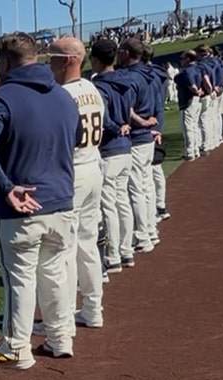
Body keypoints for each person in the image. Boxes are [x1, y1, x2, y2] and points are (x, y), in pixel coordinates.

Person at [0, 32, 80, 369]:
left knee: (19, 278)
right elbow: (75, 140)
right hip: (61, 201)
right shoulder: (64, 98)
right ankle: (61, 338)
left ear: (5, 62)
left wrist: (5, 186)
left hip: (20, 207)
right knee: (55, 274)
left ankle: (17, 347)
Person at [49, 36, 107, 329]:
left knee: (65, 249)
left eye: (54, 58)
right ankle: (93, 309)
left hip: (73, 172)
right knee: (87, 244)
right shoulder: (93, 89)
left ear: (68, 60)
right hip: (93, 166)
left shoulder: (64, 95)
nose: (50, 63)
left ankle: (64, 317)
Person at [90, 39, 137, 276]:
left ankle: (112, 256)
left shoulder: (99, 85)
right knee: (122, 202)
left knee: (108, 206)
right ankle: (126, 250)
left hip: (109, 149)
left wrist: (116, 127)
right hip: (125, 149)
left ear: (96, 60)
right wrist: (123, 126)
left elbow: (103, 118)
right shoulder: (126, 79)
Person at [119, 38, 160, 255]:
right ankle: (151, 230)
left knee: (135, 190)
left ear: (127, 53)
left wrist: (141, 122)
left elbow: (128, 109)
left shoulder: (131, 77)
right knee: (146, 186)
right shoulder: (150, 74)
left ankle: (143, 236)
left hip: (137, 138)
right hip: (147, 138)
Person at [140, 46, 172, 224]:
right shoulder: (159, 73)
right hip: (156, 120)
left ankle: (156, 210)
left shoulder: (145, 75)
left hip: (146, 124)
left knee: (148, 173)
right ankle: (160, 205)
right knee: (155, 168)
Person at [175, 50, 206, 162]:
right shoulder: (198, 68)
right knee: (194, 125)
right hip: (196, 100)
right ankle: (196, 149)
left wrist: (196, 90)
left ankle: (190, 152)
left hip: (188, 100)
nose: (181, 61)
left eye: (182, 59)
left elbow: (192, 85)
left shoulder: (187, 71)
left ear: (188, 59)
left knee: (188, 127)